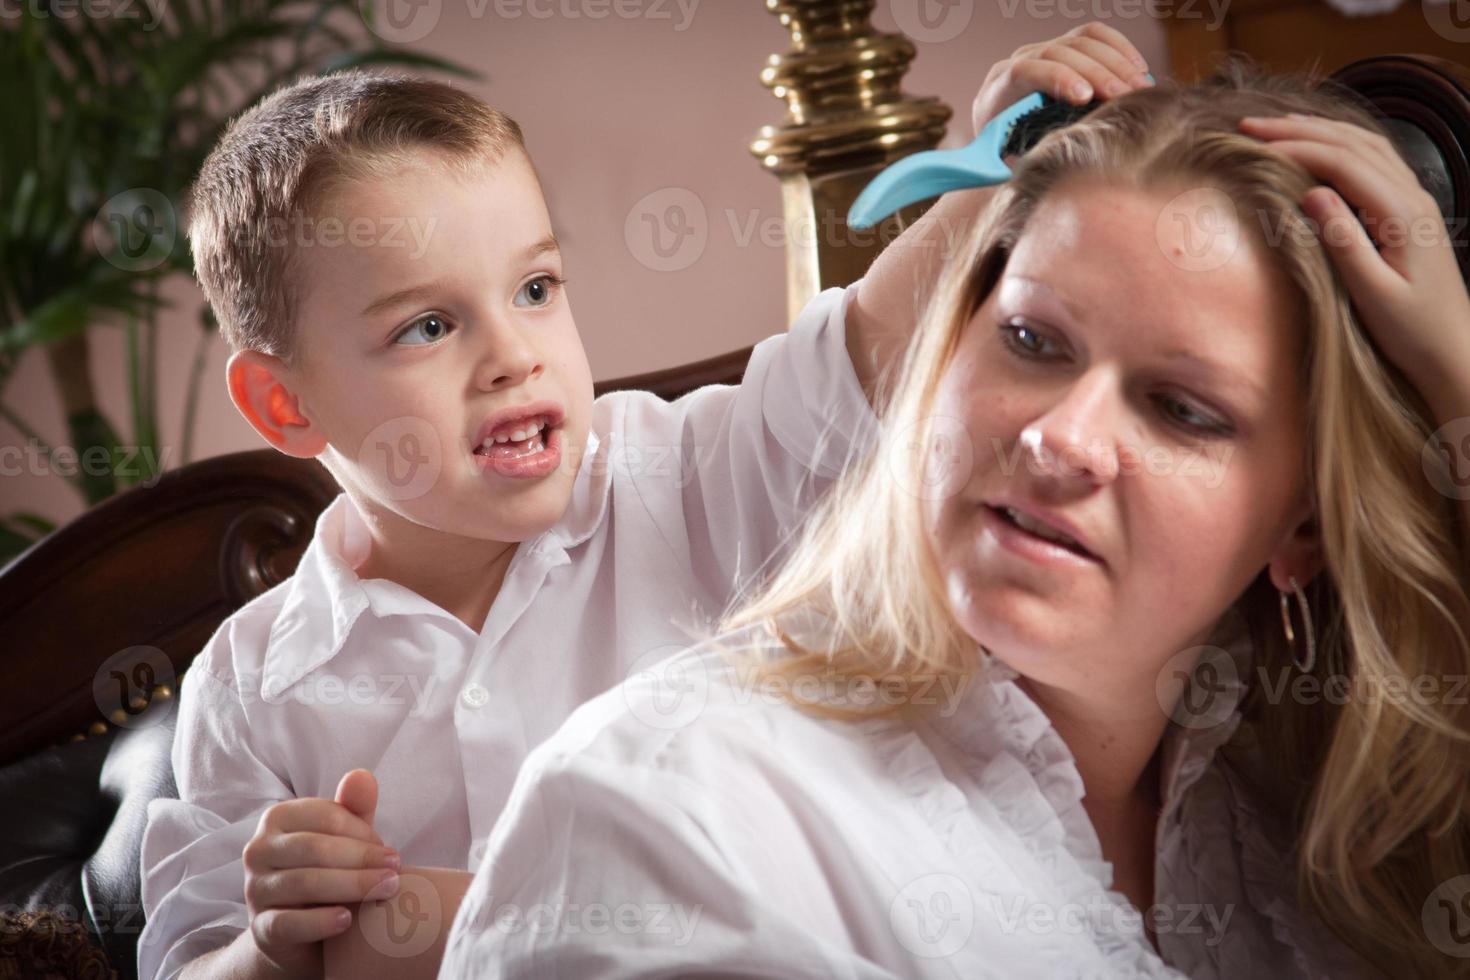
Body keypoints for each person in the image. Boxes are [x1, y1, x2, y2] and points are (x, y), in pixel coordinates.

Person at [136, 25, 1158, 980]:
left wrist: (995, 163)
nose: (514, 355)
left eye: (536, 288)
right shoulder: (249, 685)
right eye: (429, 325)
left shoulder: (683, 476)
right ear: (285, 400)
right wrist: (273, 944)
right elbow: (193, 958)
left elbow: (862, 356)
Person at [438, 57, 1470, 979]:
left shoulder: (1308, 845)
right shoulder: (675, 813)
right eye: (1031, 338)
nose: (1061, 438)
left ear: (1303, 529)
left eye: (1183, 409)